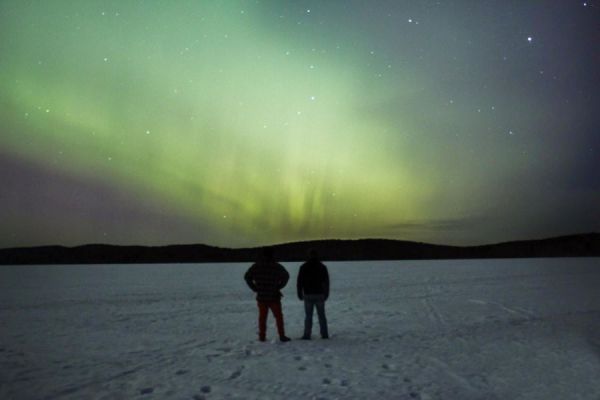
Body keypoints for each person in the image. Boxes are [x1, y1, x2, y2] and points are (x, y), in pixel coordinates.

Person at [244, 247, 291, 342]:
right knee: (278, 317)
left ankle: (262, 337)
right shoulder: (276, 266)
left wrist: (255, 288)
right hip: (274, 296)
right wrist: (279, 286)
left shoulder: (256, 266)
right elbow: (286, 276)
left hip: (261, 296)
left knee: (262, 318)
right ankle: (281, 336)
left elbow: (247, 277)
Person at [297, 249, 329, 339]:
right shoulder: (322, 267)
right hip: (319, 293)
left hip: (308, 294)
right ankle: (324, 334)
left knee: (308, 316)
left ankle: (307, 335)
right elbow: (326, 282)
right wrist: (326, 293)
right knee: (321, 315)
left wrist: (299, 292)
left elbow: (300, 282)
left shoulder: (303, 267)